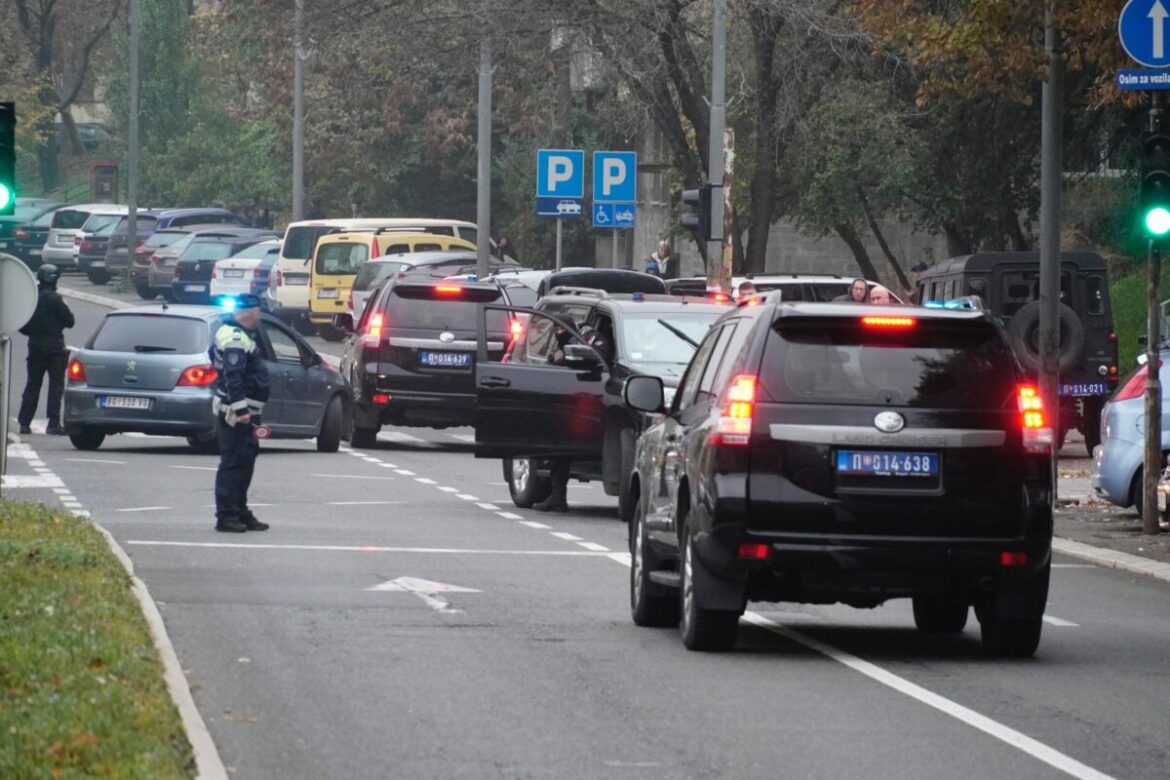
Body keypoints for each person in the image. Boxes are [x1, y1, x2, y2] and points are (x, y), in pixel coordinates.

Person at [209, 294, 271, 533]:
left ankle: (240, 511)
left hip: (246, 412)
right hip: (238, 415)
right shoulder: (235, 337)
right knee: (234, 463)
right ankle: (226, 515)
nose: (259, 317)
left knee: (244, 463)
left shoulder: (235, 334)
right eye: (257, 312)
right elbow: (233, 375)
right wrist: (241, 409)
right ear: (251, 312)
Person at [17, 265, 74, 436]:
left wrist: (35, 332)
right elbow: (70, 321)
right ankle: (53, 423)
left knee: (32, 384)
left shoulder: (32, 298)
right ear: (55, 279)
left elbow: (22, 325)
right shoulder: (56, 299)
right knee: (56, 385)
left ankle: (24, 423)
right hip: (54, 347)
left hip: (34, 346)